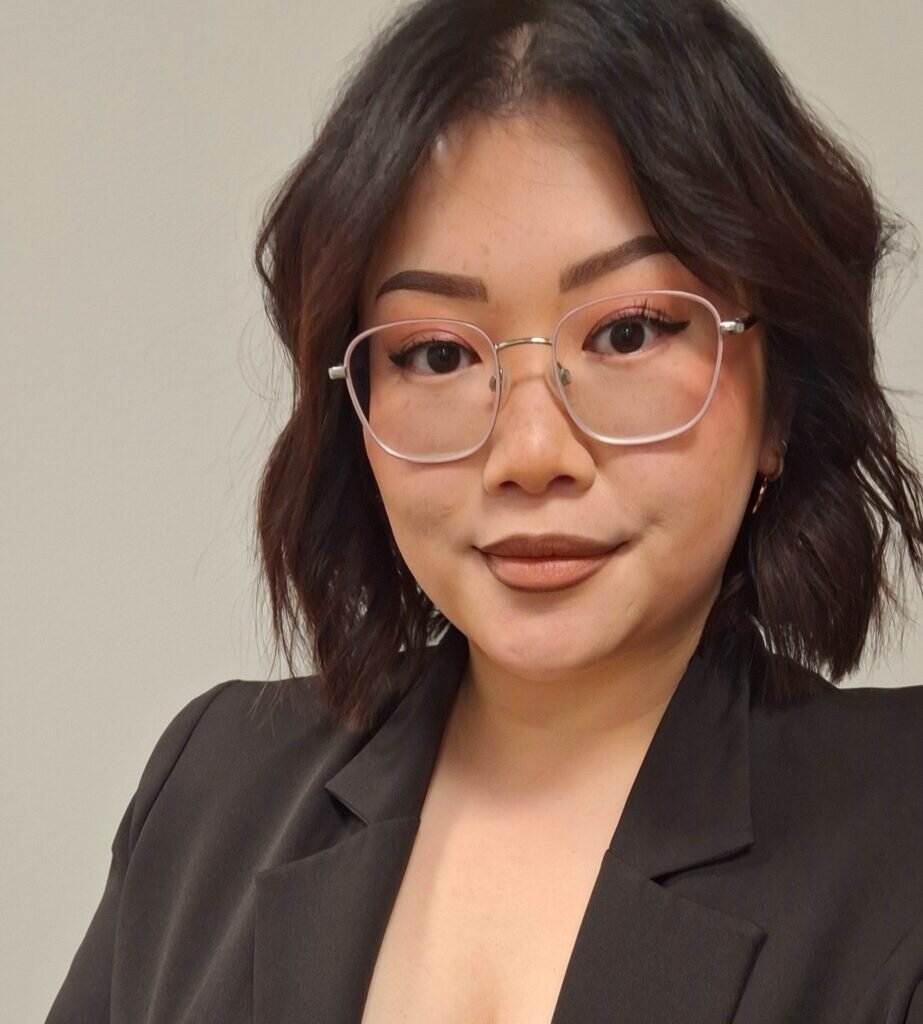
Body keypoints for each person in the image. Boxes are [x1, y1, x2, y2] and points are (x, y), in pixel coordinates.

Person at [46, 0, 923, 1021]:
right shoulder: (211, 789)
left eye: (627, 333)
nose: (530, 454)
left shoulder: (897, 831)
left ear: (780, 400)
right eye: (435, 353)